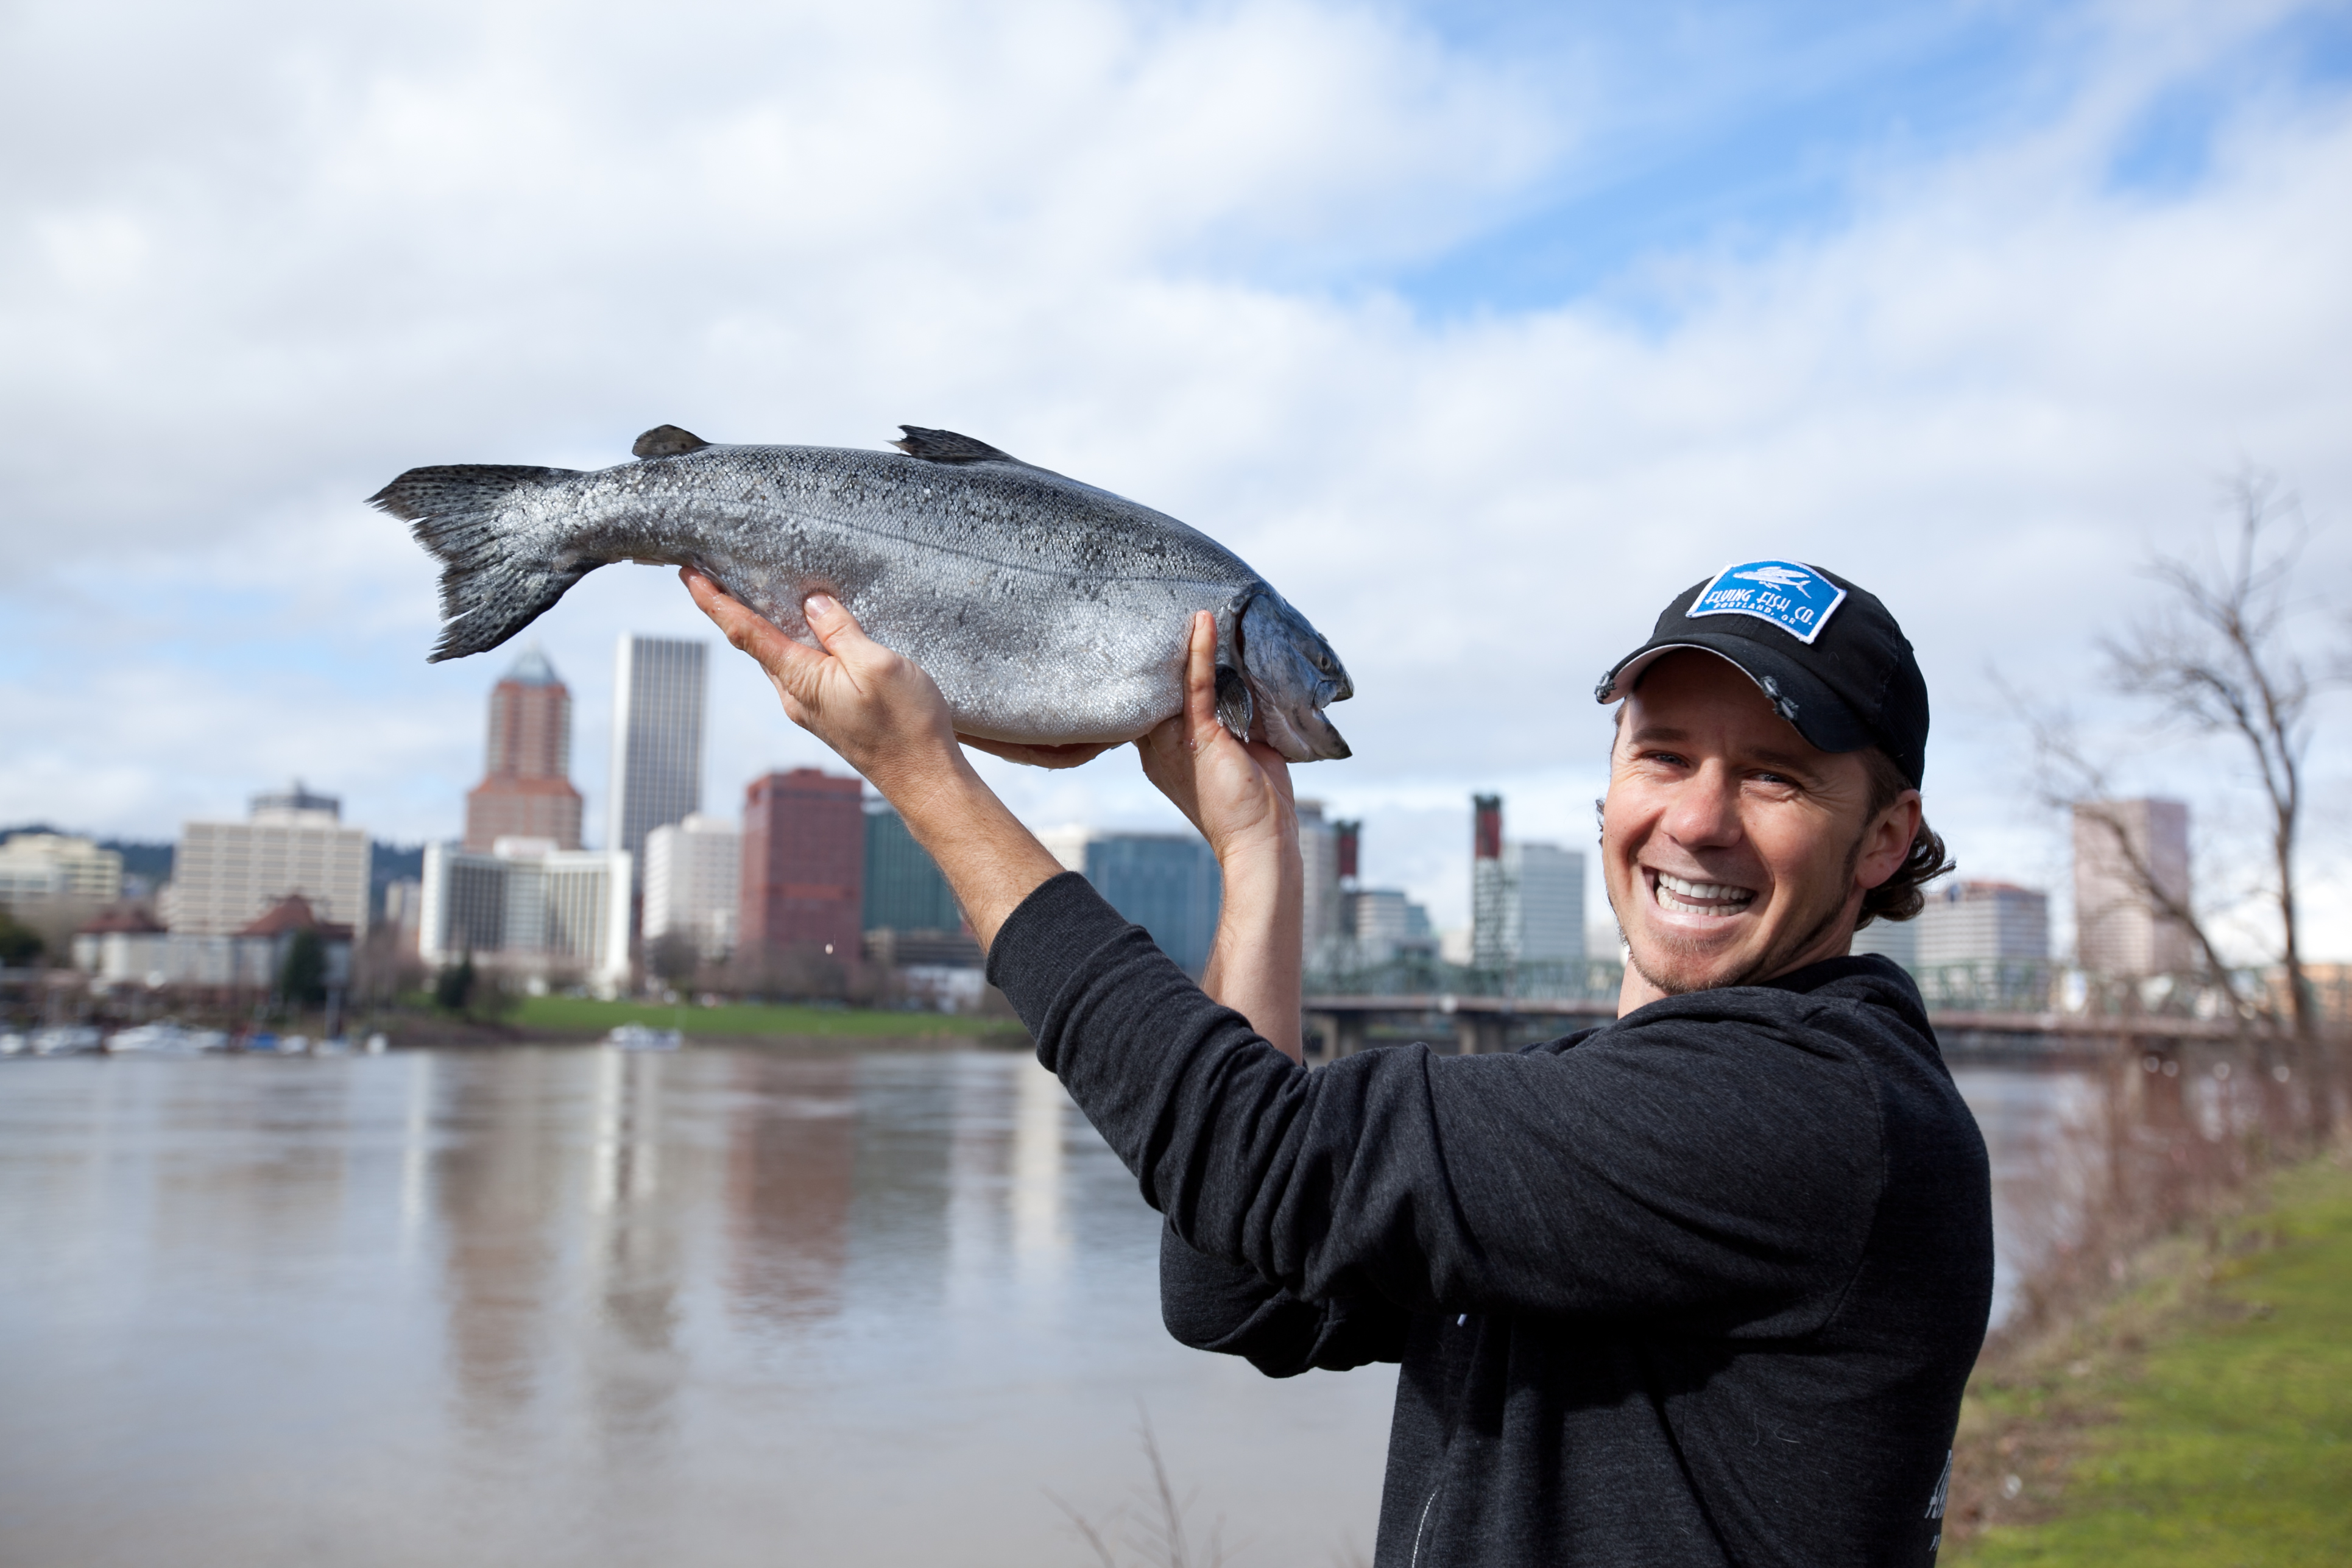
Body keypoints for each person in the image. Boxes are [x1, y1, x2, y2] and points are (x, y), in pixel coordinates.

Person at [683, 557, 1993, 1567]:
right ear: (1608, 785)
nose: (1695, 821)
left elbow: (1261, 1161)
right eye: (1661, 756)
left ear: (1881, 838)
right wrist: (1258, 857)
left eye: (1771, 779)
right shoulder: (1607, 1090)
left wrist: (924, 780)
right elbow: (1239, 1287)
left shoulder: (1813, 1109)